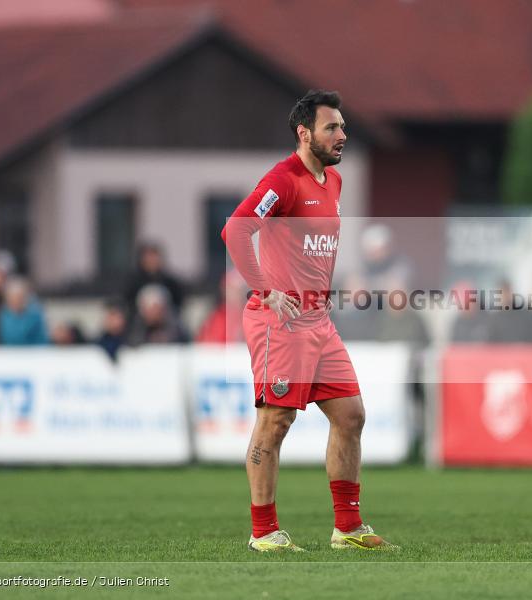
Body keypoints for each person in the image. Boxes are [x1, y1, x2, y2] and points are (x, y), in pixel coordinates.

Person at [222, 90, 395, 552]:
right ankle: (263, 534)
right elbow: (236, 229)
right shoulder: (284, 180)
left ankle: (348, 528)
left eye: (342, 126)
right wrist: (265, 289)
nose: (342, 134)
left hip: (318, 320)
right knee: (275, 422)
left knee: (351, 415)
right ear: (304, 133)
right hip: (281, 321)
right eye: (331, 127)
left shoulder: (332, 183)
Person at [123, 241, 185, 317]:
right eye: (148, 257)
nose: (152, 261)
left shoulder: (170, 283)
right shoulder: (134, 283)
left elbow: (177, 306)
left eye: (154, 257)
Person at [0, 277, 49, 346]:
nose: (16, 301)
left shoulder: (35, 316)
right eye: (13, 298)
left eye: (19, 297)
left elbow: (42, 341)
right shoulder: (3, 315)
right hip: (8, 354)